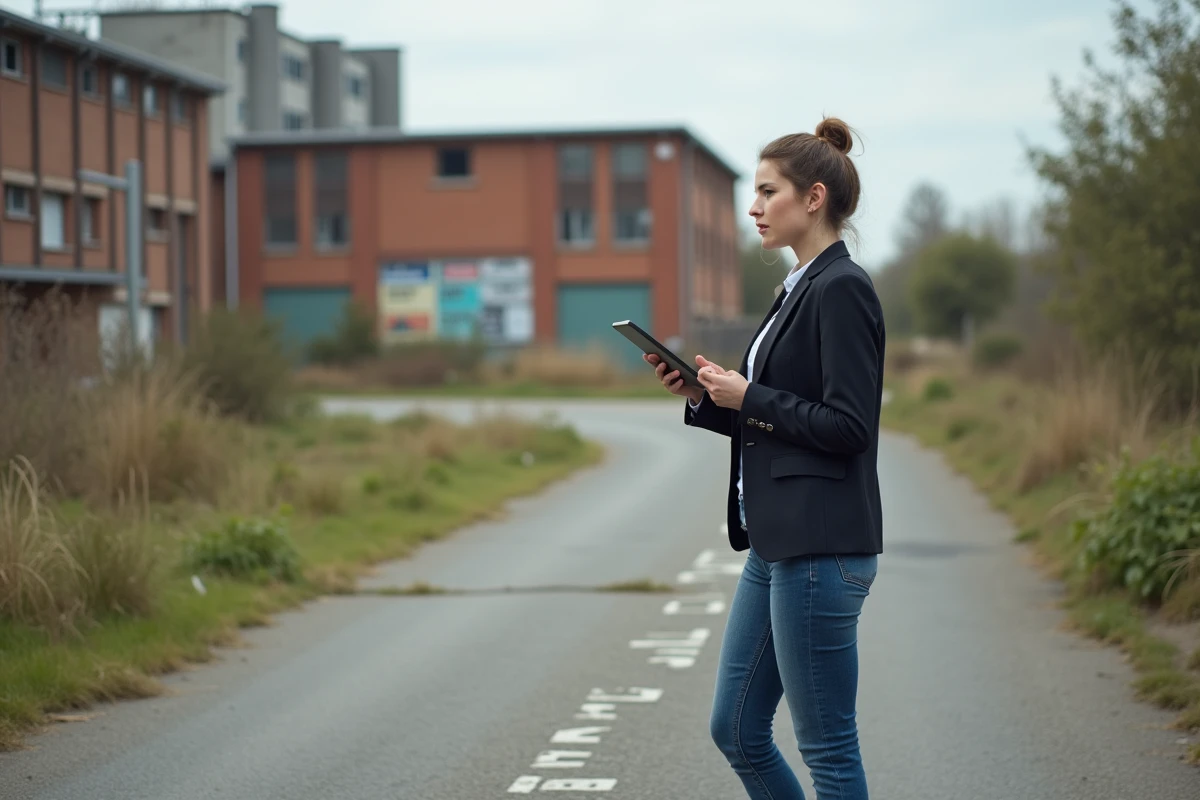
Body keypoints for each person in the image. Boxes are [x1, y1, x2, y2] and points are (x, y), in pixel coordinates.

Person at [645, 117, 885, 800]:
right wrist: (705, 396)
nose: (752, 207)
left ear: (813, 198)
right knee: (737, 730)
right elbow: (776, 421)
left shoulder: (841, 288)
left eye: (766, 192)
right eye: (753, 192)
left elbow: (848, 426)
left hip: (821, 548)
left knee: (828, 748)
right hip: (777, 545)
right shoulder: (797, 286)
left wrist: (750, 394)